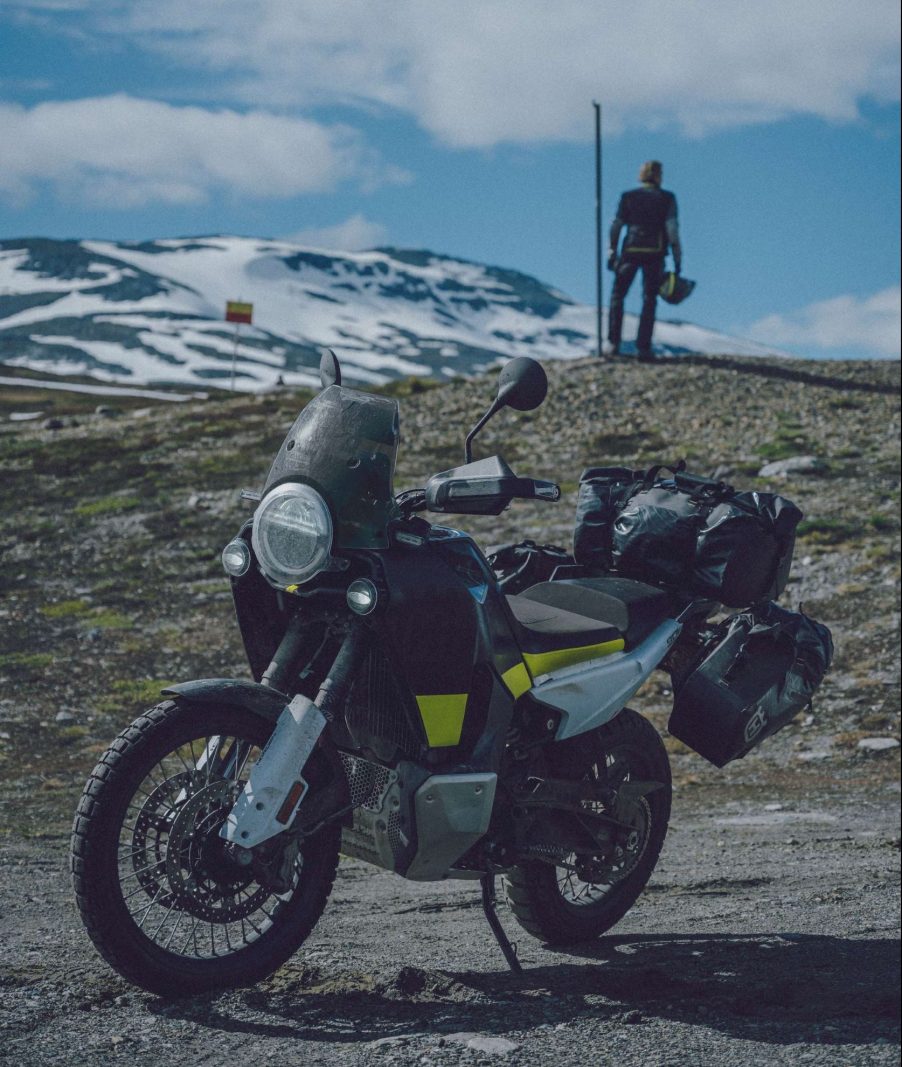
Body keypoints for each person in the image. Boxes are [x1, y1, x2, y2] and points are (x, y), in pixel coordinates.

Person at [605, 160, 682, 362]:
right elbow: (672, 229)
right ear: (659, 175)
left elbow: (616, 225)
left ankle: (613, 343)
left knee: (618, 295)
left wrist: (612, 251)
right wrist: (677, 257)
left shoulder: (629, 197)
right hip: (655, 253)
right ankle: (643, 348)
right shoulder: (666, 199)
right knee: (649, 298)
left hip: (630, 250)